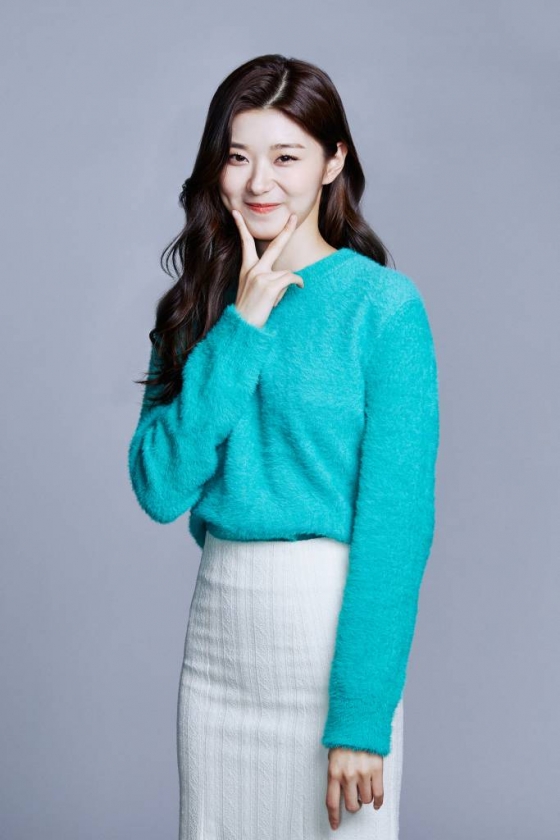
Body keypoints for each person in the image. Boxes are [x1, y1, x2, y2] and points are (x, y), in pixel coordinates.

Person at [127, 53, 440, 839]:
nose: (258, 182)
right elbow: (160, 487)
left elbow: (397, 526)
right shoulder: (199, 306)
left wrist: (362, 715)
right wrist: (242, 327)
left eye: (286, 157)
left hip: (326, 640)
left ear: (333, 162)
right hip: (219, 644)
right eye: (238, 156)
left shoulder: (383, 308)